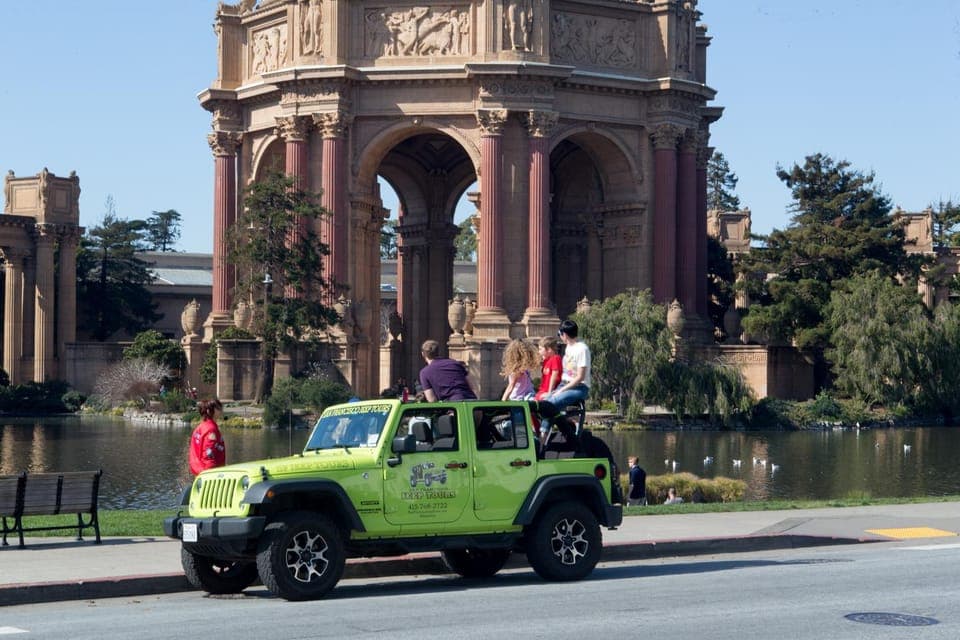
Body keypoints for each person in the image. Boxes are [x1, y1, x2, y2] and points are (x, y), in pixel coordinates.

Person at [546, 319, 591, 409]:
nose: (560, 337)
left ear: (565, 335)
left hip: (579, 387)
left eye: (560, 334)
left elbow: (580, 377)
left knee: (550, 404)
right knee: (544, 402)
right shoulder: (568, 347)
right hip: (564, 384)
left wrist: (562, 390)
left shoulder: (582, 349)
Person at [189, 398, 226, 475]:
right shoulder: (211, 430)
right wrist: (210, 472)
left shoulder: (200, 427)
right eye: (218, 408)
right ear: (209, 411)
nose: (221, 410)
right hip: (208, 473)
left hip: (199, 470)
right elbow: (208, 454)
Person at [534, 336, 562, 401]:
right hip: (542, 391)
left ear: (549, 350)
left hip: (550, 392)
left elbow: (554, 376)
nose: (539, 351)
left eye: (540, 349)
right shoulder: (546, 360)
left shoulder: (555, 358)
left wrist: (549, 392)